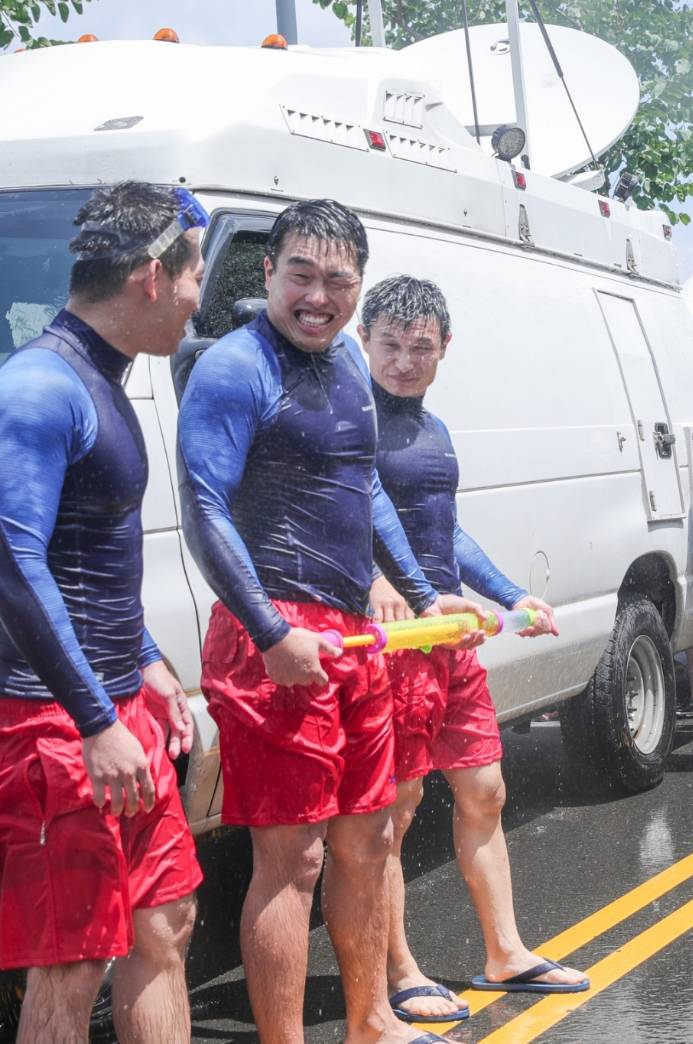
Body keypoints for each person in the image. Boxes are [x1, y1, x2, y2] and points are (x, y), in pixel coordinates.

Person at [178, 199, 480, 1044]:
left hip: (351, 633)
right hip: (273, 634)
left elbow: (366, 487)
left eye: (338, 280)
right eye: (300, 276)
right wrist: (270, 632)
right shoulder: (234, 368)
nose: (318, 297)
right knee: (294, 858)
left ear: (358, 284)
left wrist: (423, 594)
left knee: (370, 839)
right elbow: (204, 509)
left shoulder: (348, 359)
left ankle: (371, 1021)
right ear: (267, 272)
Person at [0, 182, 205, 1043]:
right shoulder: (39, 386)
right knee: (72, 961)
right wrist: (93, 719)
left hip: (115, 702)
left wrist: (146, 660)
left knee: (165, 921)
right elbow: (14, 563)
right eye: (195, 277)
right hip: (54, 722)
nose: (197, 302)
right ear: (153, 277)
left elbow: (87, 559)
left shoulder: (102, 379)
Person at [352, 275, 585, 1020]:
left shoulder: (436, 431)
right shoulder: (350, 422)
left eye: (420, 347)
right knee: (393, 812)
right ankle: (400, 971)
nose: (404, 362)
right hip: (394, 643)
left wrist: (512, 594)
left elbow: (445, 531)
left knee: (486, 791)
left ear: (445, 347)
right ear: (363, 340)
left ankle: (504, 952)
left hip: (450, 638)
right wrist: (387, 588)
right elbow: (342, 524)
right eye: (390, 345)